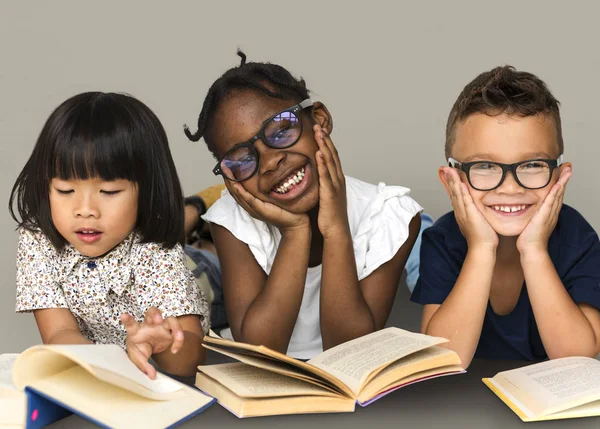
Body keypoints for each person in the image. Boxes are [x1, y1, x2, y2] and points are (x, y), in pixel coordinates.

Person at [183, 51, 422, 360]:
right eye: (242, 159)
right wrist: (295, 231)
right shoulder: (231, 220)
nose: (270, 162)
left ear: (319, 120)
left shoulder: (390, 216)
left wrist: (335, 228)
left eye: (281, 130)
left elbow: (349, 351)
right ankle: (194, 230)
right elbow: (258, 351)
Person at [10, 92, 210, 379]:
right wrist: (108, 366)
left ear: (147, 189)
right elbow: (59, 332)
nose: (86, 210)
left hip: (200, 277)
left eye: (109, 192)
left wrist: (165, 343)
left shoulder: (157, 252)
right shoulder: (38, 240)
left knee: (209, 267)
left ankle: (199, 213)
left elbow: (192, 358)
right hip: (121, 346)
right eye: (65, 191)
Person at [411, 66, 600, 367]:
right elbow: (443, 359)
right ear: (451, 181)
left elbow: (576, 359)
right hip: (463, 406)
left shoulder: (579, 239)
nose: (510, 188)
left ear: (560, 176)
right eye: (484, 167)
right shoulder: (443, 240)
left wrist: (534, 250)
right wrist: (481, 248)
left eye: (533, 165)